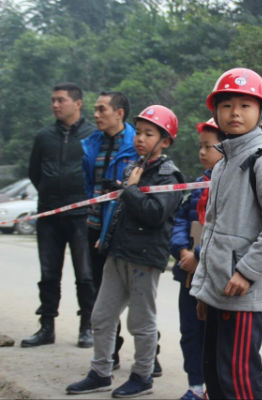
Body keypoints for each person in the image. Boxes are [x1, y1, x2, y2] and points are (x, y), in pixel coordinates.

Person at [189, 67, 262, 400]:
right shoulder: (223, 163)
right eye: (227, 105)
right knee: (216, 377)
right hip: (218, 290)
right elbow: (213, 230)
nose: (235, 112)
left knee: (240, 381)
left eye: (245, 105)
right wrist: (204, 289)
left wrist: (247, 271)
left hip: (241, 292)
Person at [66, 105, 184, 398]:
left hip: (144, 259)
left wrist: (130, 190)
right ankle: (100, 372)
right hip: (117, 253)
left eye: (149, 134)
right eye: (139, 132)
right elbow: (120, 210)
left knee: (141, 322)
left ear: (165, 141)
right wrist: (106, 237)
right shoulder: (134, 169)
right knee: (101, 316)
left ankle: (143, 376)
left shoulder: (169, 176)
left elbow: (155, 214)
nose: (140, 139)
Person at [25, 82, 95, 348]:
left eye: (61, 100)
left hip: (81, 215)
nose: (55, 105)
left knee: (85, 275)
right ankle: (46, 327)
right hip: (49, 215)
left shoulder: (92, 135)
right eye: (53, 100)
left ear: (77, 103)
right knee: (48, 275)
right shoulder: (44, 137)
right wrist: (50, 195)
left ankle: (86, 327)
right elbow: (34, 173)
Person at [82, 91, 138, 372]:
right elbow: (88, 184)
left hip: (122, 231)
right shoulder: (92, 143)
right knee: (102, 294)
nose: (96, 115)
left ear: (119, 113)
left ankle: (150, 357)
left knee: (136, 294)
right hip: (95, 228)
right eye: (95, 109)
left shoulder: (136, 144)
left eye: (102, 109)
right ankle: (109, 353)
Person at [169, 118, 224, 400]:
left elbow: (228, 229)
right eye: (200, 146)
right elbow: (180, 220)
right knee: (191, 331)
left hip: (216, 274)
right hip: (188, 275)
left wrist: (199, 256)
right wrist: (182, 251)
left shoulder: (233, 184)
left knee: (216, 335)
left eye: (208, 146)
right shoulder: (198, 184)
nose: (202, 152)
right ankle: (196, 386)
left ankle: (216, 388)